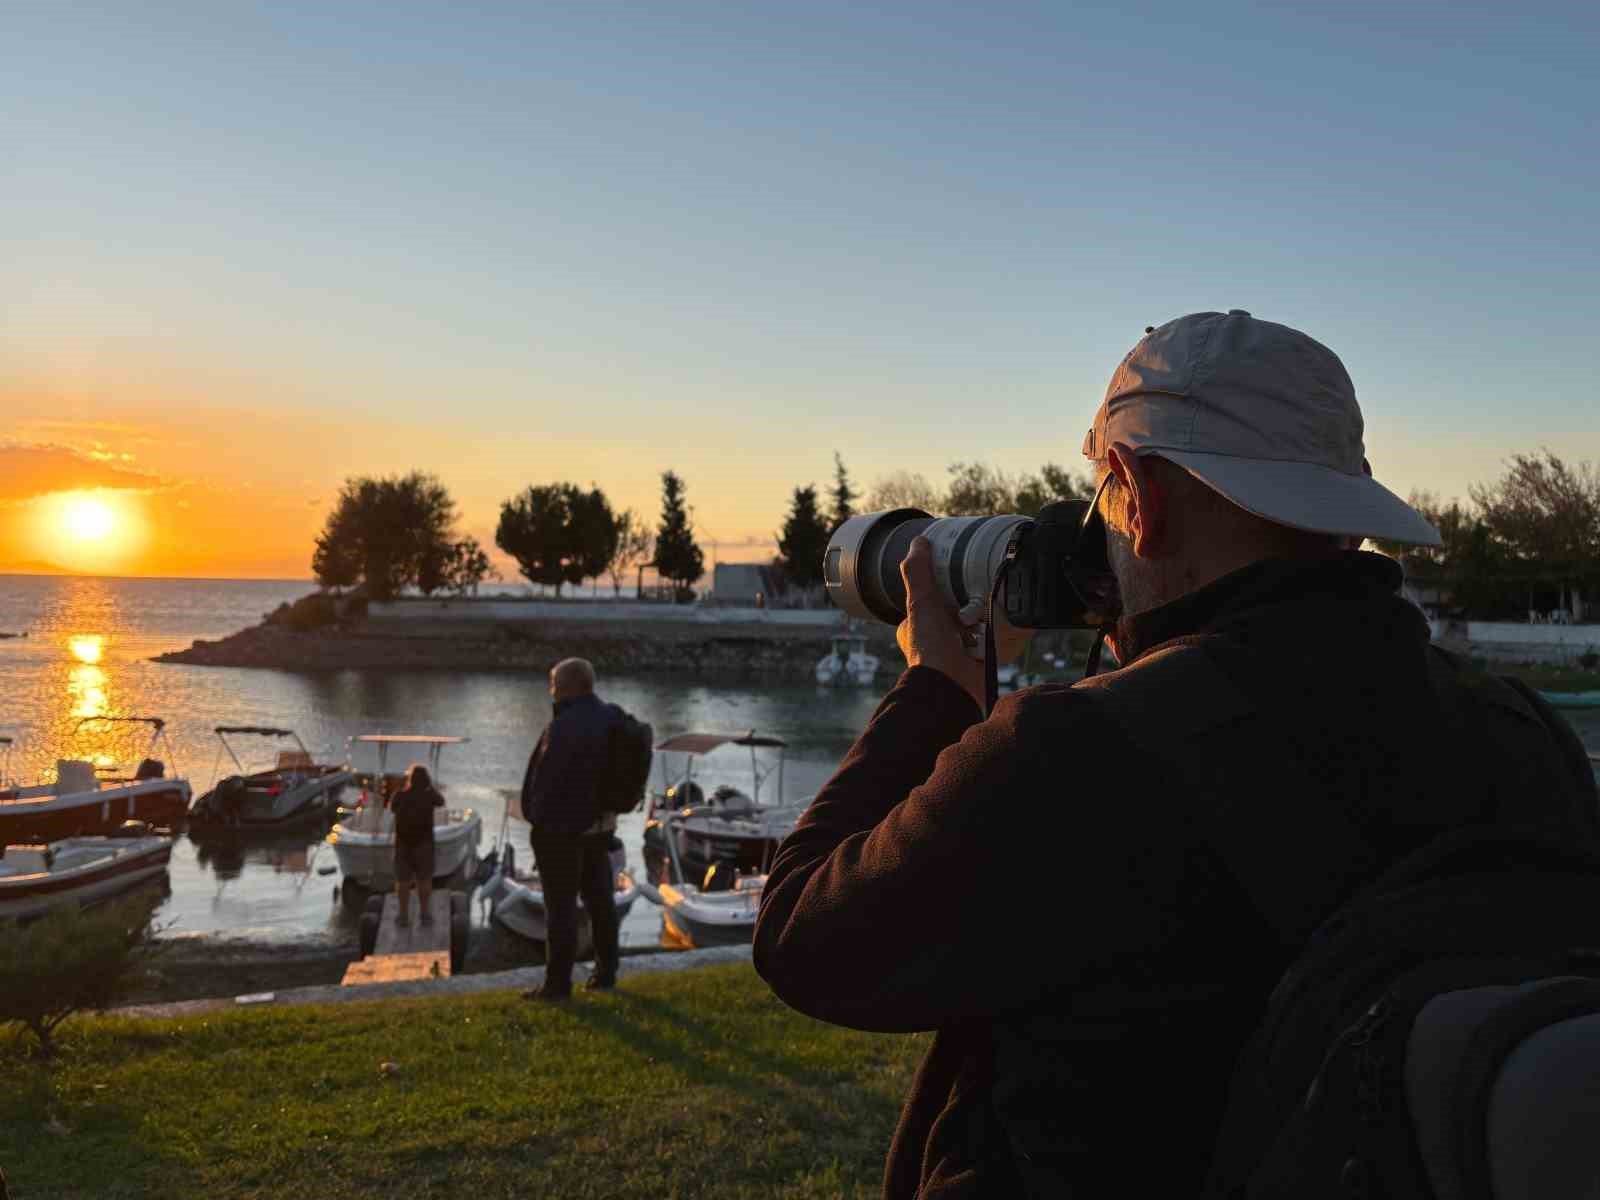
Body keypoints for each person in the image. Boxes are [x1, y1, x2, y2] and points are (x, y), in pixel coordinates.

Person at [753, 310, 1599, 1196]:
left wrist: (936, 686)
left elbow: (802, 938)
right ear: (1346, 511)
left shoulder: (1078, 754)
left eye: (1102, 508)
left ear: (1135, 494)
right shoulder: (1522, 730)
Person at [520, 656, 623, 1001]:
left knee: (561, 908)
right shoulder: (614, 719)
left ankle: (557, 984)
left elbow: (546, 781)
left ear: (567, 687)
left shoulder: (564, 726)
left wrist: (538, 821)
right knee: (601, 902)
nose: (551, 691)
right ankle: (606, 973)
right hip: (601, 828)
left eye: (554, 685)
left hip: (562, 831)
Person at [390, 763, 443, 927]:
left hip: (403, 844)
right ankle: (425, 914)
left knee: (403, 881)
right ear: (427, 780)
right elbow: (441, 801)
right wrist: (430, 788)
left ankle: (403, 915)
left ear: (411, 779)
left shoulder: (399, 795)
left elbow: (392, 808)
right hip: (424, 844)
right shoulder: (429, 796)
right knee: (424, 880)